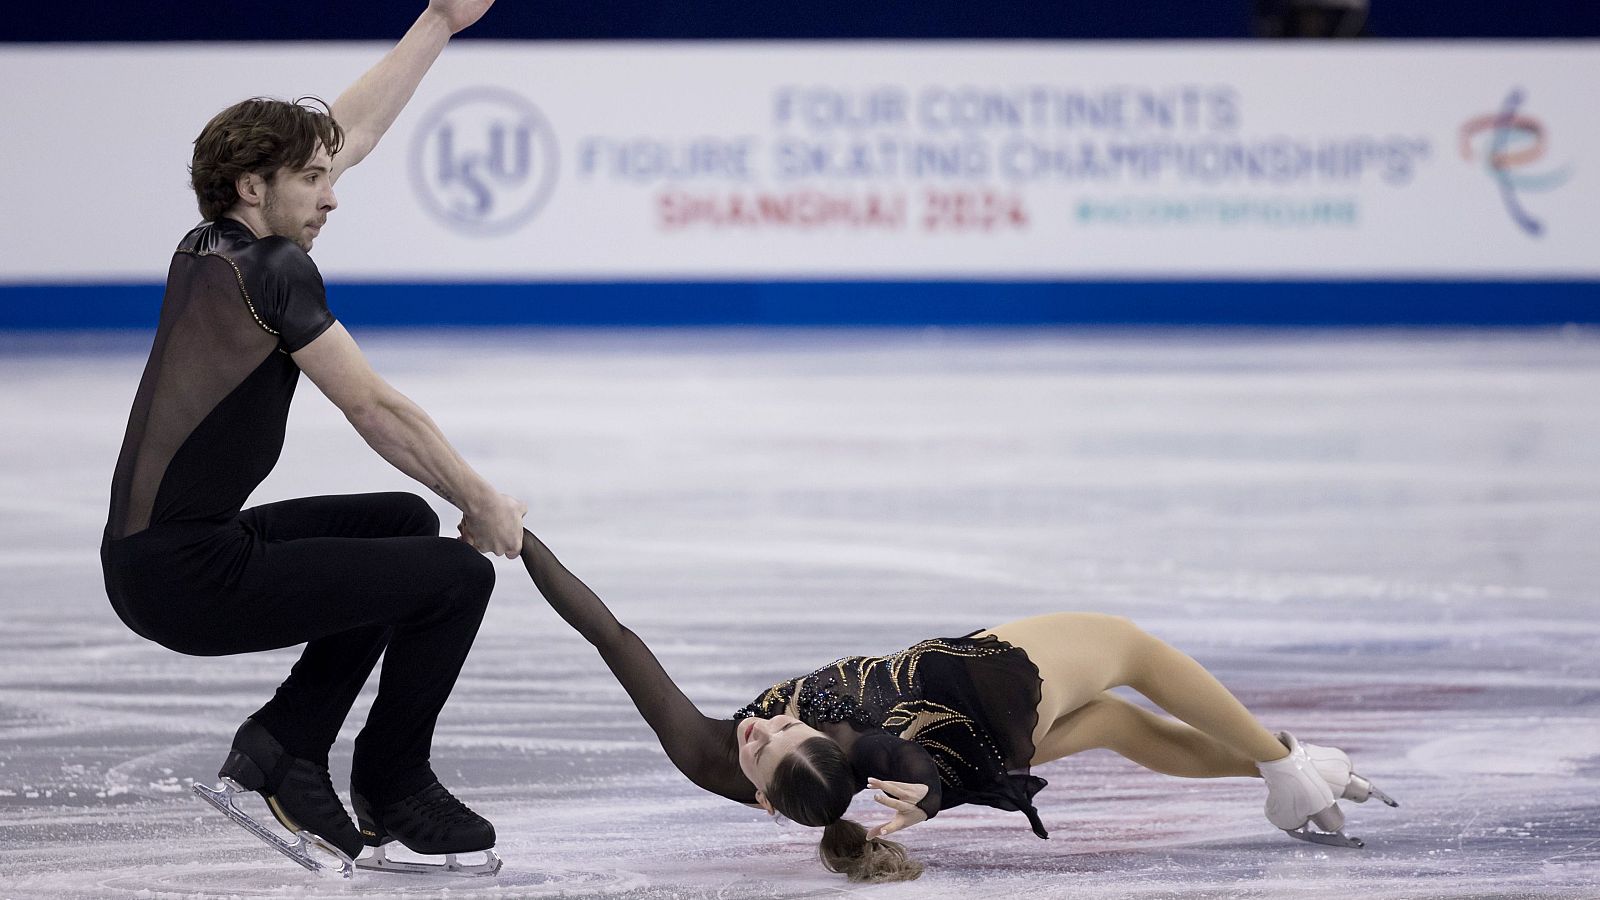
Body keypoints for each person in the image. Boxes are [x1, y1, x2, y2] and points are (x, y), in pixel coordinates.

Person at [99, 0, 525, 873]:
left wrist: (439, 21)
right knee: (455, 577)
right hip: (187, 579)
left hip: (164, 555)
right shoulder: (274, 268)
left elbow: (349, 132)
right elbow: (375, 409)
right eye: (312, 181)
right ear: (253, 187)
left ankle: (285, 744)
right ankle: (394, 786)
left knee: (400, 523)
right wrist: (479, 498)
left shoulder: (212, 246)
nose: (332, 195)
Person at [510, 529, 1397, 882]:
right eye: (763, 744)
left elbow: (614, 639)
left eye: (775, 726)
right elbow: (901, 761)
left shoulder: (719, 756)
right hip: (979, 688)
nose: (758, 726)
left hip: (977, 746)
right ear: (768, 800)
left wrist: (522, 542)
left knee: (1119, 725)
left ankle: (1307, 774)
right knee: (1128, 646)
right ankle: (1288, 765)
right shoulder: (851, 755)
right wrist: (929, 794)